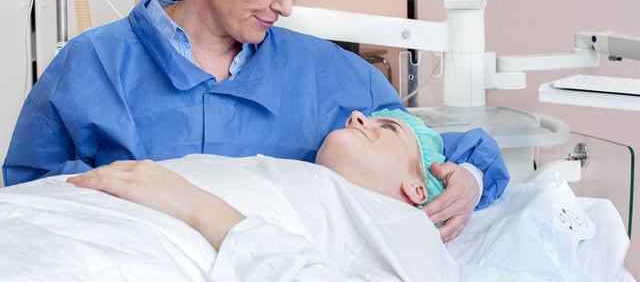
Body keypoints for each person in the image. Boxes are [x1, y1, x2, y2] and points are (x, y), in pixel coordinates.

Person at [3, 0, 508, 241]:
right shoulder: (93, 65)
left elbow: (427, 149)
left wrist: (470, 179)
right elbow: (28, 199)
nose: (285, 6)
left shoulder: (327, 73)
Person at [65, 109, 461, 280]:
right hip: (76, 210)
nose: (357, 117)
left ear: (417, 188)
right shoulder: (305, 184)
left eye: (388, 128)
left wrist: (198, 206)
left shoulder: (407, 226)